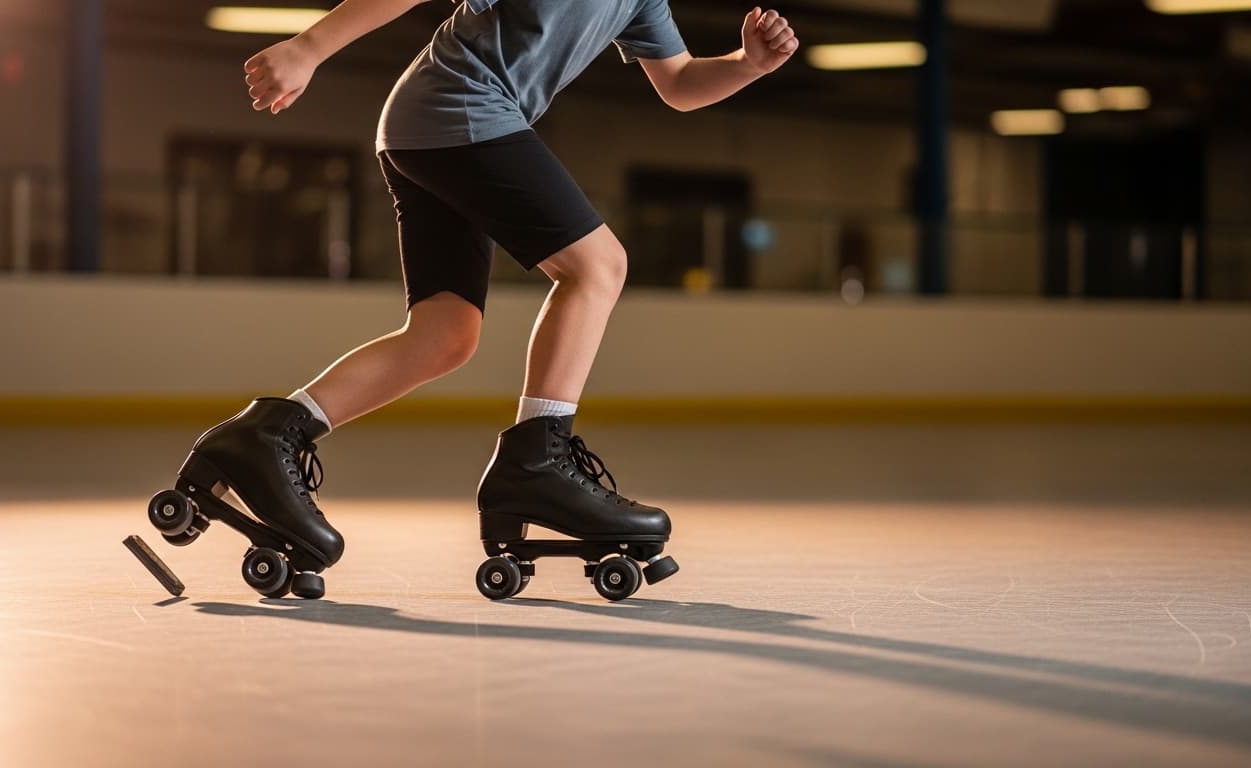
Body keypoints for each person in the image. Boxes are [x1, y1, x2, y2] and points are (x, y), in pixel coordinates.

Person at [177, 0, 798, 598]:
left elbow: (681, 83)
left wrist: (746, 64)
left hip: (433, 126)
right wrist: (309, 47)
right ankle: (537, 463)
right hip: (459, 109)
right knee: (597, 266)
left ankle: (269, 435)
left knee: (445, 335)